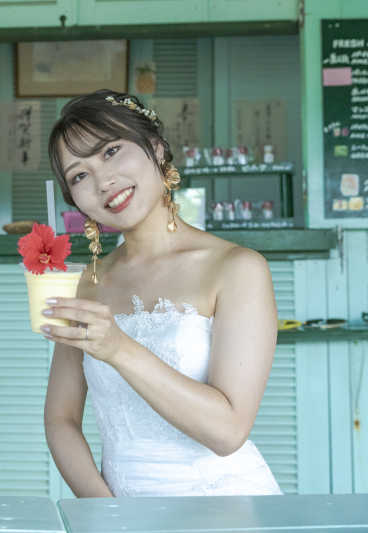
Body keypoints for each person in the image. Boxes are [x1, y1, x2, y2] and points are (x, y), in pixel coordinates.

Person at [42, 89, 282, 497]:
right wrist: (108, 513)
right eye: (79, 175)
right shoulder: (87, 283)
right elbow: (60, 419)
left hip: (222, 510)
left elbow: (228, 432)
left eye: (111, 151)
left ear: (155, 148)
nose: (103, 181)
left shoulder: (238, 269)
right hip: (121, 514)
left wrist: (118, 347)